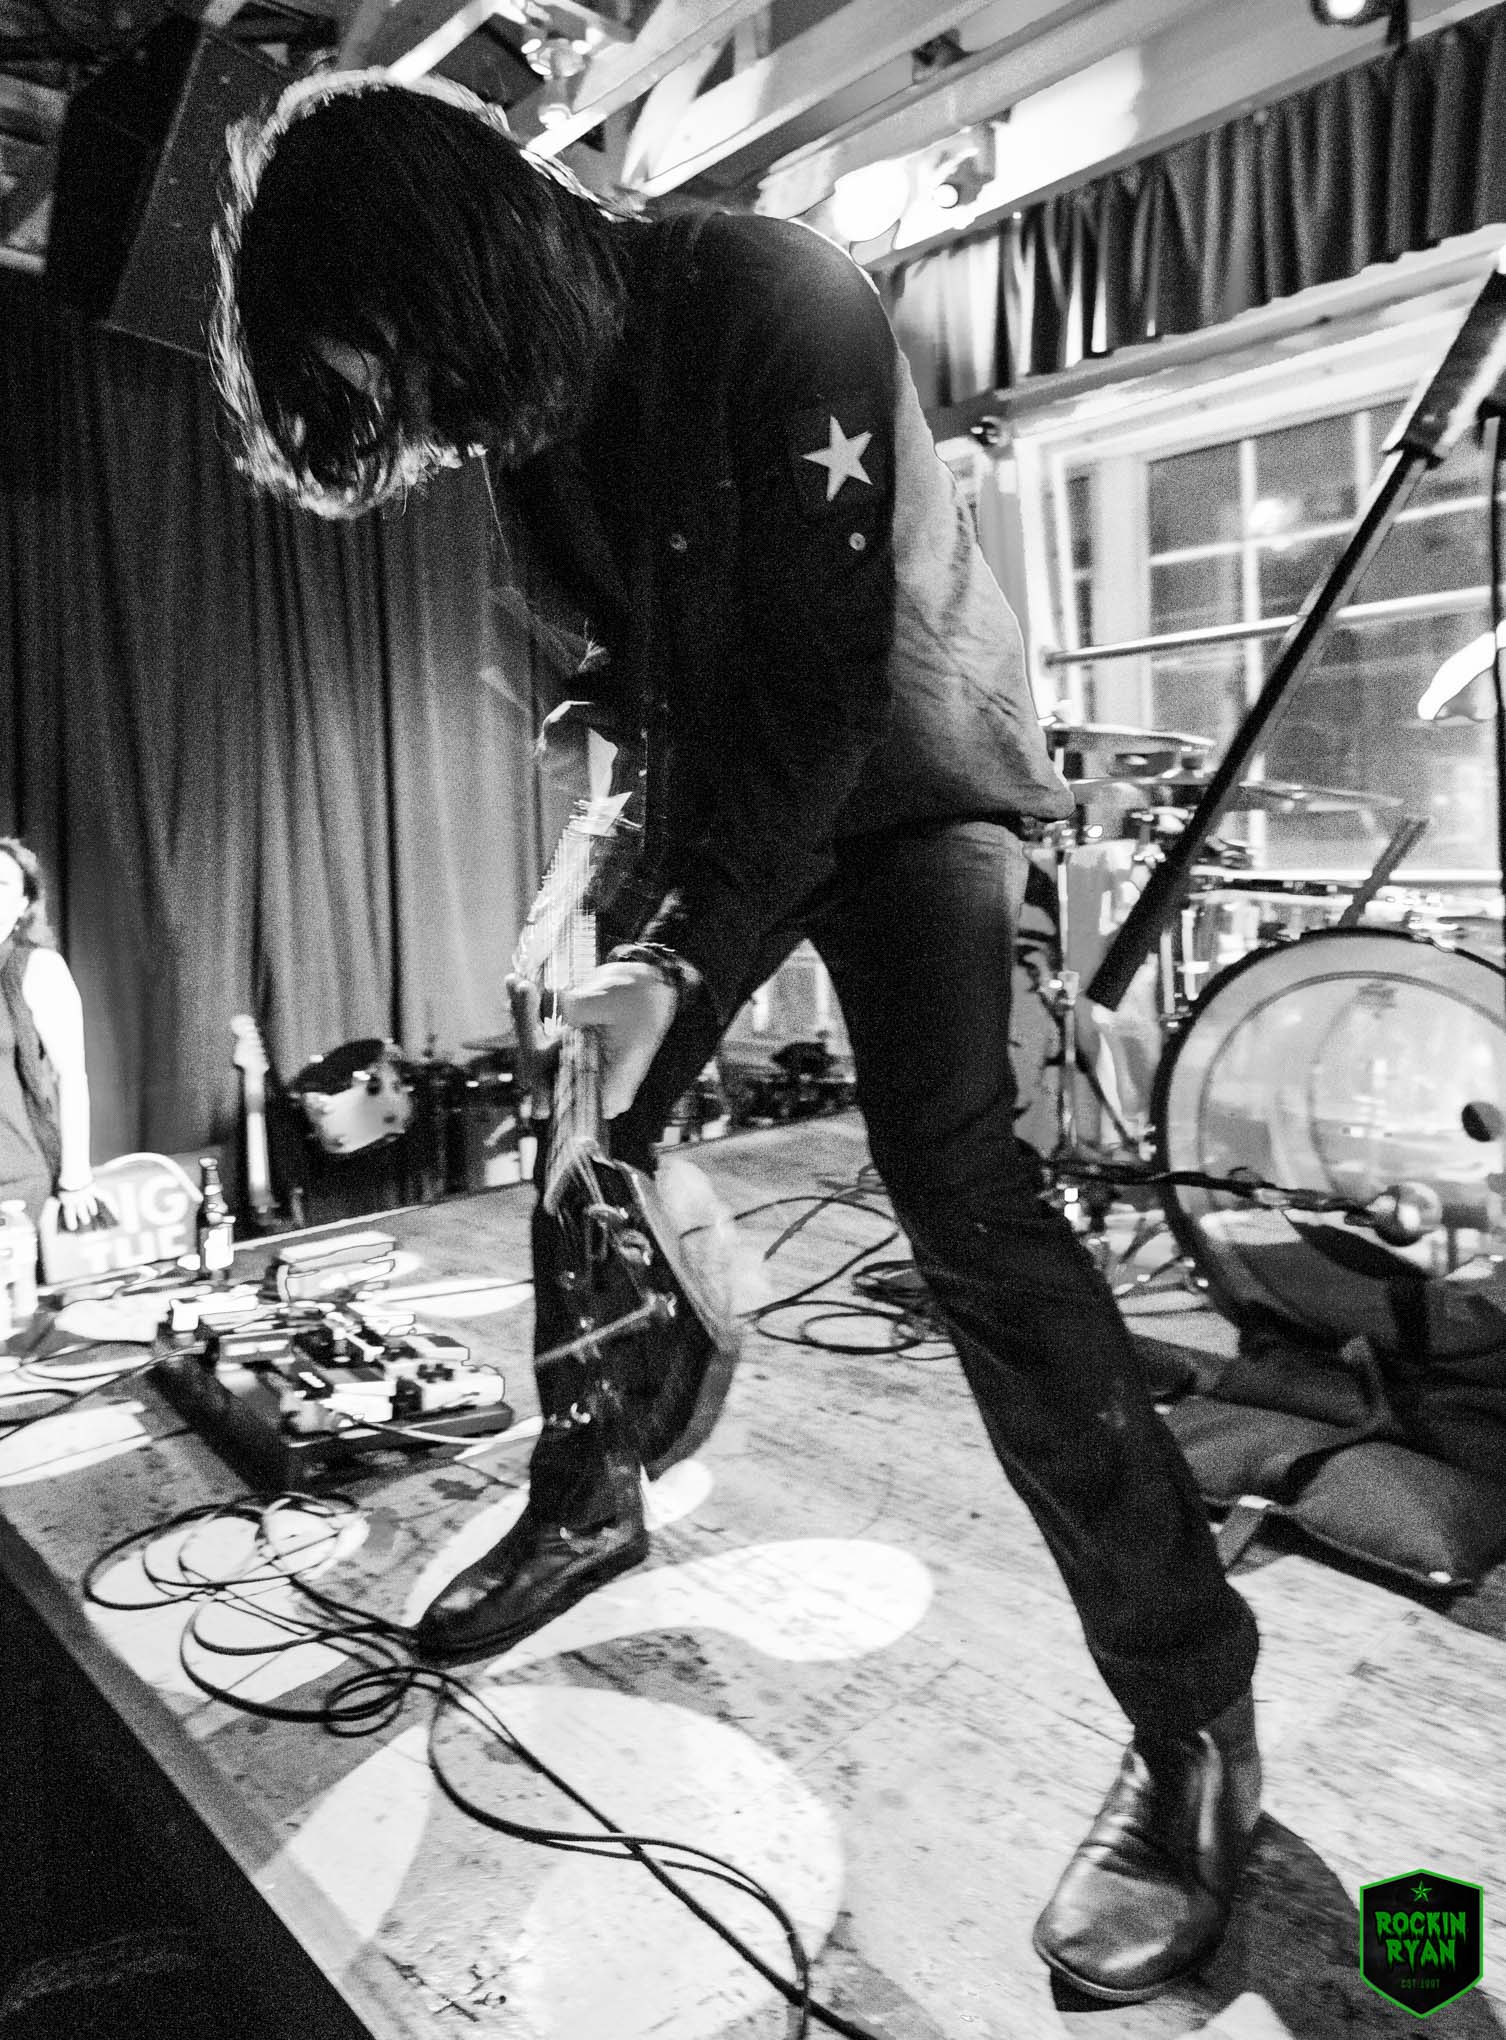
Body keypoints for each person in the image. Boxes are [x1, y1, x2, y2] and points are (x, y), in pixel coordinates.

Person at [212, 71, 1262, 2005]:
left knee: (960, 1189)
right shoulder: (533, 409)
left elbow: (813, 690)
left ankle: (1191, 1716)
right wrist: (596, 840)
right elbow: (647, 669)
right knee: (577, 1107)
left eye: (413, 381)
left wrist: (676, 954)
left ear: (456, 269)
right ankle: (590, 1491)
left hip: (906, 772)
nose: (430, 432)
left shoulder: (777, 295)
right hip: (734, 789)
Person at [0, 838, 104, 1229]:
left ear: (23, 903)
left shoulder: (37, 968)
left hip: (13, 1182)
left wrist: (76, 1176)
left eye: (2, 884)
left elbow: (71, 1077)